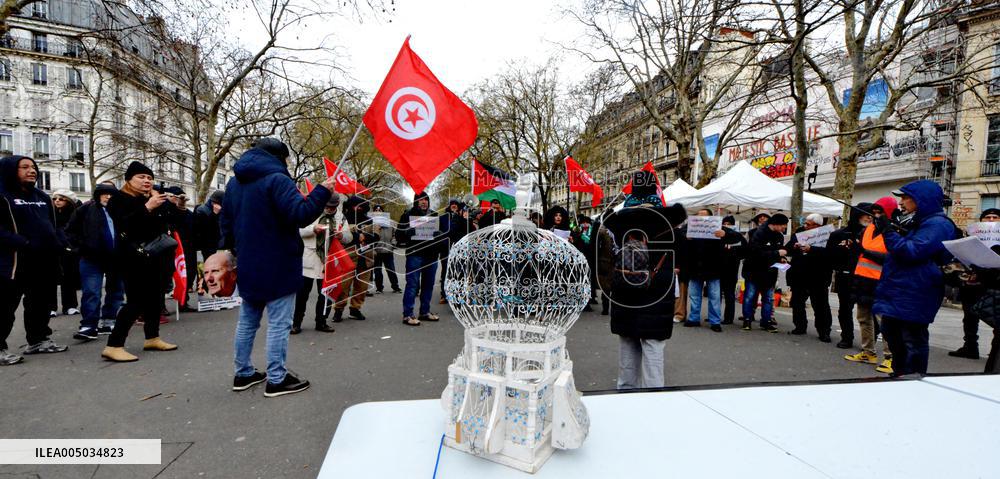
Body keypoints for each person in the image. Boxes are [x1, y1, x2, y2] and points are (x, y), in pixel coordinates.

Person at [221, 137, 335, 397]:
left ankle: (243, 373)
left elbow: (226, 222)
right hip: (278, 261)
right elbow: (300, 214)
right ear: (279, 157)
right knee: (278, 323)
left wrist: (232, 252)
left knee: (248, 321)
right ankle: (276, 378)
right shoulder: (277, 179)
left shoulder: (234, 183)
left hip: (249, 260)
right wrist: (322, 191)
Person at [873, 180, 956, 377]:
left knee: (912, 338)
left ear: (922, 200)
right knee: (892, 333)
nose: (900, 202)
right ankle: (900, 373)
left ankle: (913, 378)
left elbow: (911, 251)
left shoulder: (937, 224)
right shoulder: (916, 221)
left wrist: (888, 231)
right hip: (900, 288)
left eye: (905, 197)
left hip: (916, 290)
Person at [99, 161, 178, 362]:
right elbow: (126, 225)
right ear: (128, 180)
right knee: (136, 301)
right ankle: (114, 344)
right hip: (132, 257)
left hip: (155, 256)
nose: (146, 181)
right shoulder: (118, 199)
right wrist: (147, 207)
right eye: (141, 177)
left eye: (150, 178)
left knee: (154, 298)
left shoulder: (153, 198)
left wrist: (174, 207)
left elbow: (166, 224)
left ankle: (152, 337)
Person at [0, 155, 69, 365]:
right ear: (11, 170)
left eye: (34, 167)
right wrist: (23, 242)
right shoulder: (2, 196)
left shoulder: (42, 196)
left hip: (43, 261)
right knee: (4, 307)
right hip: (12, 263)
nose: (32, 171)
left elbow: (54, 225)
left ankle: (38, 340)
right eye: (25, 167)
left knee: (40, 303)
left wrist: (60, 240)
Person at [844, 197, 896, 373]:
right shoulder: (868, 229)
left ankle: (891, 357)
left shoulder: (893, 231)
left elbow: (892, 257)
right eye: (874, 212)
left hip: (881, 281)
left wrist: (865, 252)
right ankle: (868, 352)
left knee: (884, 321)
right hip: (862, 279)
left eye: (879, 212)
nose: (875, 215)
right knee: (863, 317)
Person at [66, 182, 124, 340]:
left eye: (111, 194)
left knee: (116, 290)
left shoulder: (120, 211)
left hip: (116, 258)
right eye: (104, 194)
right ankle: (89, 325)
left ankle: (109, 320)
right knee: (91, 291)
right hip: (91, 258)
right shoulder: (85, 209)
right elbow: (70, 231)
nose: (108, 197)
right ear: (98, 195)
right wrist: (79, 249)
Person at [949, 207, 1000, 359]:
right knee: (969, 316)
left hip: (994, 284)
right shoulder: (973, 236)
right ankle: (970, 346)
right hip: (972, 283)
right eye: (988, 217)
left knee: (996, 318)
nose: (991, 220)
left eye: (995, 217)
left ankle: (995, 352)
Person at [292, 195, 344, 334]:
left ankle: (321, 322)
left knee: (325, 294)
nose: (329, 209)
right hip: (309, 259)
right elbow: (298, 231)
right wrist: (313, 229)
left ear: (337, 205)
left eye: (332, 207)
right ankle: (296, 323)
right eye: (327, 206)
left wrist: (341, 235)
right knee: (302, 295)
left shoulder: (340, 217)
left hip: (328, 261)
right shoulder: (311, 212)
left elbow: (348, 237)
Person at [396, 191, 445, 326]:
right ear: (416, 202)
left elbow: (442, 235)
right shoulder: (407, 215)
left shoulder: (434, 215)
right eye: (421, 200)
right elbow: (399, 236)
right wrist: (408, 232)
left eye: (426, 200)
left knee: (428, 285)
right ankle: (408, 315)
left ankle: (424, 312)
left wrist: (439, 235)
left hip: (431, 256)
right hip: (415, 255)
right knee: (412, 285)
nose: (424, 202)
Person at [827, 203, 871, 349]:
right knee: (845, 309)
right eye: (867, 215)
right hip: (845, 276)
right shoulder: (839, 235)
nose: (870, 218)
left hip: (867, 277)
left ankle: (869, 341)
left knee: (868, 312)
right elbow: (830, 256)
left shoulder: (873, 235)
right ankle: (847, 337)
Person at [785, 213, 834, 341]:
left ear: (817, 225)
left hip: (819, 276)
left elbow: (830, 254)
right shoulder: (800, 233)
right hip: (800, 274)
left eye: (808, 224)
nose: (805, 225)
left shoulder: (827, 236)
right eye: (805, 223)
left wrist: (811, 249)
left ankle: (824, 331)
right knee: (797, 302)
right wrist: (794, 246)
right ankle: (800, 326)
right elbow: (788, 248)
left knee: (820, 305)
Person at [332, 195, 377, 322]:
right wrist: (358, 237)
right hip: (347, 257)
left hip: (366, 257)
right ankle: (338, 310)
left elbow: (376, 236)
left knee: (362, 287)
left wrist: (364, 237)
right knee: (343, 285)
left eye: (360, 206)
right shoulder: (343, 220)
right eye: (354, 206)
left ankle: (355, 309)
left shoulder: (370, 221)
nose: (357, 208)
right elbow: (342, 237)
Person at [741, 213, 789, 333]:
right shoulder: (758, 233)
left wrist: (782, 259)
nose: (784, 228)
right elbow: (756, 253)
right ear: (776, 224)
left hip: (770, 272)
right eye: (783, 226)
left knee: (768, 298)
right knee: (750, 296)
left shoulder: (779, 236)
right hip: (754, 271)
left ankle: (766, 321)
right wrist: (777, 254)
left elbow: (778, 252)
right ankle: (747, 319)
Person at [682, 209, 726, 332]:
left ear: (711, 218)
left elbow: (735, 237)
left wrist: (724, 234)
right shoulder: (690, 226)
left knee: (715, 296)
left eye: (704, 216)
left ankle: (715, 322)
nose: (700, 217)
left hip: (713, 267)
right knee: (694, 295)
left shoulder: (718, 227)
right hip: (695, 267)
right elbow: (679, 235)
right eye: (699, 215)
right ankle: (693, 319)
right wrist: (686, 237)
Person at [166, 187, 197, 311]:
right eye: (178, 197)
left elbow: (192, 226)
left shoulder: (188, 213)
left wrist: (182, 207)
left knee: (189, 273)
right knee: (167, 276)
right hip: (170, 246)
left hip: (187, 247)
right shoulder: (167, 210)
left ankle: (183, 301)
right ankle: (161, 306)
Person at [51, 189, 80, 317]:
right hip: (52, 249)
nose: (57, 201)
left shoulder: (75, 215)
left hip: (69, 250)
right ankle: (50, 307)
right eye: (55, 198)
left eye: (61, 199)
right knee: (50, 279)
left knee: (69, 278)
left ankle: (70, 305)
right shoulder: (49, 213)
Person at [439, 199, 470, 304]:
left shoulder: (462, 217)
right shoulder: (443, 217)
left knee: (458, 273)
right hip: (445, 249)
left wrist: (465, 219)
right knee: (445, 272)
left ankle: (457, 295)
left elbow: (468, 231)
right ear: (449, 206)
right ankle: (444, 295)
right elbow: (438, 231)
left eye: (455, 204)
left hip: (458, 250)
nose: (454, 206)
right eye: (452, 204)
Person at [719, 215, 747, 325]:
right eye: (724, 224)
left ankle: (728, 318)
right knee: (716, 295)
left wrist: (735, 254)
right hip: (719, 269)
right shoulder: (718, 235)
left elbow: (744, 251)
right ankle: (715, 315)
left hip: (731, 269)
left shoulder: (739, 236)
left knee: (729, 295)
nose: (726, 226)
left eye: (729, 224)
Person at [370, 204, 401, 294]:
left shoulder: (390, 222)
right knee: (378, 271)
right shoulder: (371, 223)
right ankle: (379, 288)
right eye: (376, 210)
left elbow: (395, 234)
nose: (378, 211)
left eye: (380, 210)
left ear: (383, 212)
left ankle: (396, 287)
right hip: (376, 251)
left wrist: (393, 244)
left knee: (391, 270)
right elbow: (369, 236)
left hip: (388, 250)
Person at [194, 190, 224, 261]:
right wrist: (214, 214)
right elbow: (204, 229)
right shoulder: (201, 210)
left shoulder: (220, 209)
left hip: (218, 242)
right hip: (207, 244)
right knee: (210, 262)